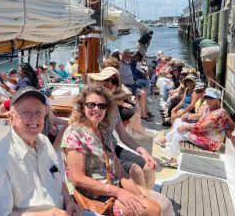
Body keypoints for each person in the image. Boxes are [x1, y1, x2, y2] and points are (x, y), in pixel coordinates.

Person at [62, 84, 173, 215]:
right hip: (94, 195)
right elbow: (78, 178)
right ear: (82, 106)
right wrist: (119, 192)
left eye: (102, 106)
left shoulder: (103, 131)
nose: (96, 109)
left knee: (165, 203)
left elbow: (120, 172)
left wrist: (139, 196)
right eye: (91, 104)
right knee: (153, 209)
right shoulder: (75, 134)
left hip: (113, 186)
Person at [0, 87, 86, 216]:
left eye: (39, 112)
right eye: (26, 112)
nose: (34, 118)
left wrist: (69, 203)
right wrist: (47, 214)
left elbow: (59, 180)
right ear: (11, 118)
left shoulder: (44, 141)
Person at [88, 67, 157, 189]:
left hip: (114, 148)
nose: (110, 83)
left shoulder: (113, 107)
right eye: (106, 79)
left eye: (114, 81)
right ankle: (143, 203)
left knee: (149, 165)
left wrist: (142, 150)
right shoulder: (90, 106)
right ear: (99, 81)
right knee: (136, 171)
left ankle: (147, 200)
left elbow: (123, 135)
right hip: (99, 153)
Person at [159, 88, 235, 168]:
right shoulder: (210, 108)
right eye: (207, 97)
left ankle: (169, 151)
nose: (208, 100)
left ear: (218, 99)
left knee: (177, 135)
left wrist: (187, 126)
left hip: (210, 141)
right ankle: (170, 153)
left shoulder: (218, 113)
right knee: (179, 126)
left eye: (211, 98)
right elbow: (201, 120)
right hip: (203, 134)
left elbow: (202, 127)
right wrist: (188, 117)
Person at [119, 49, 151, 120]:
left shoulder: (127, 64)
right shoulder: (120, 65)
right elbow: (118, 77)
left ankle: (146, 110)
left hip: (131, 84)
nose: (128, 58)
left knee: (145, 89)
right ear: (122, 57)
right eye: (126, 56)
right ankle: (143, 114)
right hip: (126, 86)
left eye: (129, 57)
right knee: (142, 93)